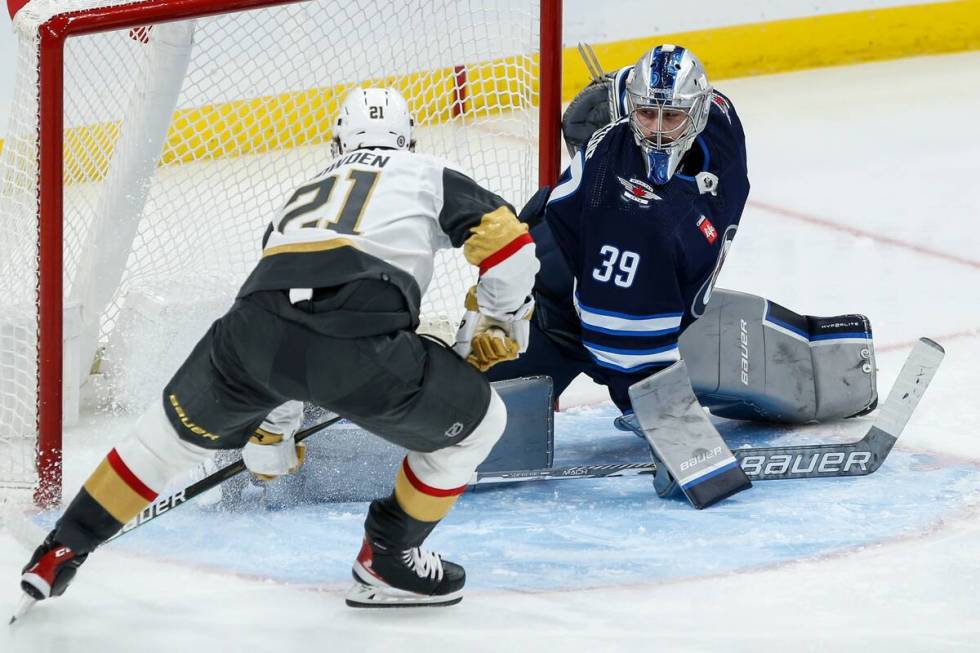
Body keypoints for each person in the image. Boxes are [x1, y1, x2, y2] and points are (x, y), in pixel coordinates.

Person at [19, 87, 538, 609]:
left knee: (157, 447)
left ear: (337, 145)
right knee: (482, 425)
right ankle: (388, 559)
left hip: (247, 335)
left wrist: (273, 432)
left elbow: (287, 319)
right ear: (410, 139)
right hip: (359, 344)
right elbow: (511, 243)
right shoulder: (426, 170)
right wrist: (495, 319)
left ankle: (59, 550)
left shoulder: (300, 196)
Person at [488, 44, 876, 462]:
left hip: (603, 276)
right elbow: (618, 342)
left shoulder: (719, 122)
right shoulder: (629, 218)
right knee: (480, 437)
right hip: (548, 316)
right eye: (645, 115)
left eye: (670, 115)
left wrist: (625, 89)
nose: (656, 130)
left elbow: (651, 89)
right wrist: (667, 427)